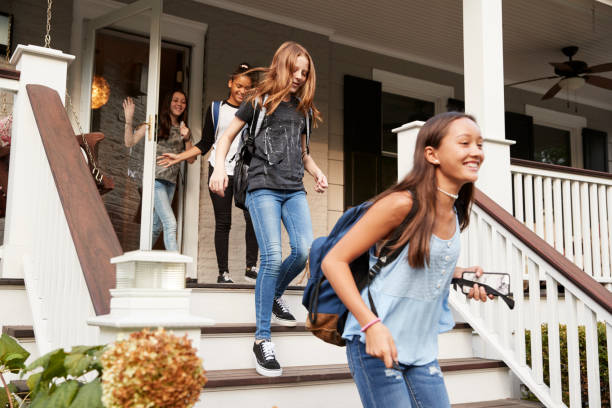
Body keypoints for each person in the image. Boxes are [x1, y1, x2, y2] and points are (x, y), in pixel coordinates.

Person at [321, 112, 492, 407]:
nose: (476, 151)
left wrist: (461, 274)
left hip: (421, 349)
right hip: (376, 342)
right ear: (432, 154)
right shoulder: (401, 204)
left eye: (479, 144)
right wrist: (370, 325)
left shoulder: (455, 212)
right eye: (464, 143)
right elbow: (333, 261)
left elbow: (417, 262)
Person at [208, 41, 327, 377]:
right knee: (271, 257)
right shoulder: (257, 102)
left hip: (293, 189)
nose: (300, 77)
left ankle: (273, 292)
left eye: (305, 73)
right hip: (262, 188)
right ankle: (262, 339)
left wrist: (317, 172)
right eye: (295, 70)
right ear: (282, 66)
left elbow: (303, 154)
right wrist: (219, 168)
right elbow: (226, 138)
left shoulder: (303, 110)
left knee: (303, 250)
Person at [157, 63, 260, 284]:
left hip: (244, 172)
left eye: (247, 88)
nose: (242, 91)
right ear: (230, 83)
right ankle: (223, 273)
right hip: (219, 170)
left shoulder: (253, 110)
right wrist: (178, 157)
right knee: (223, 222)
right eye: (239, 86)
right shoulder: (216, 109)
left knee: (253, 217)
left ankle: (251, 267)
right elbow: (205, 143)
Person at [123, 90, 194, 251]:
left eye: (183, 102)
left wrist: (187, 138)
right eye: (175, 100)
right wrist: (129, 120)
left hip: (170, 182)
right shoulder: (154, 122)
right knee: (170, 223)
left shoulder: (184, 129)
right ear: (168, 102)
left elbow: (191, 159)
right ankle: (176, 267)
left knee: (156, 226)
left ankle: (140, 257)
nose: (179, 104)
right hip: (155, 180)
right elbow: (129, 142)